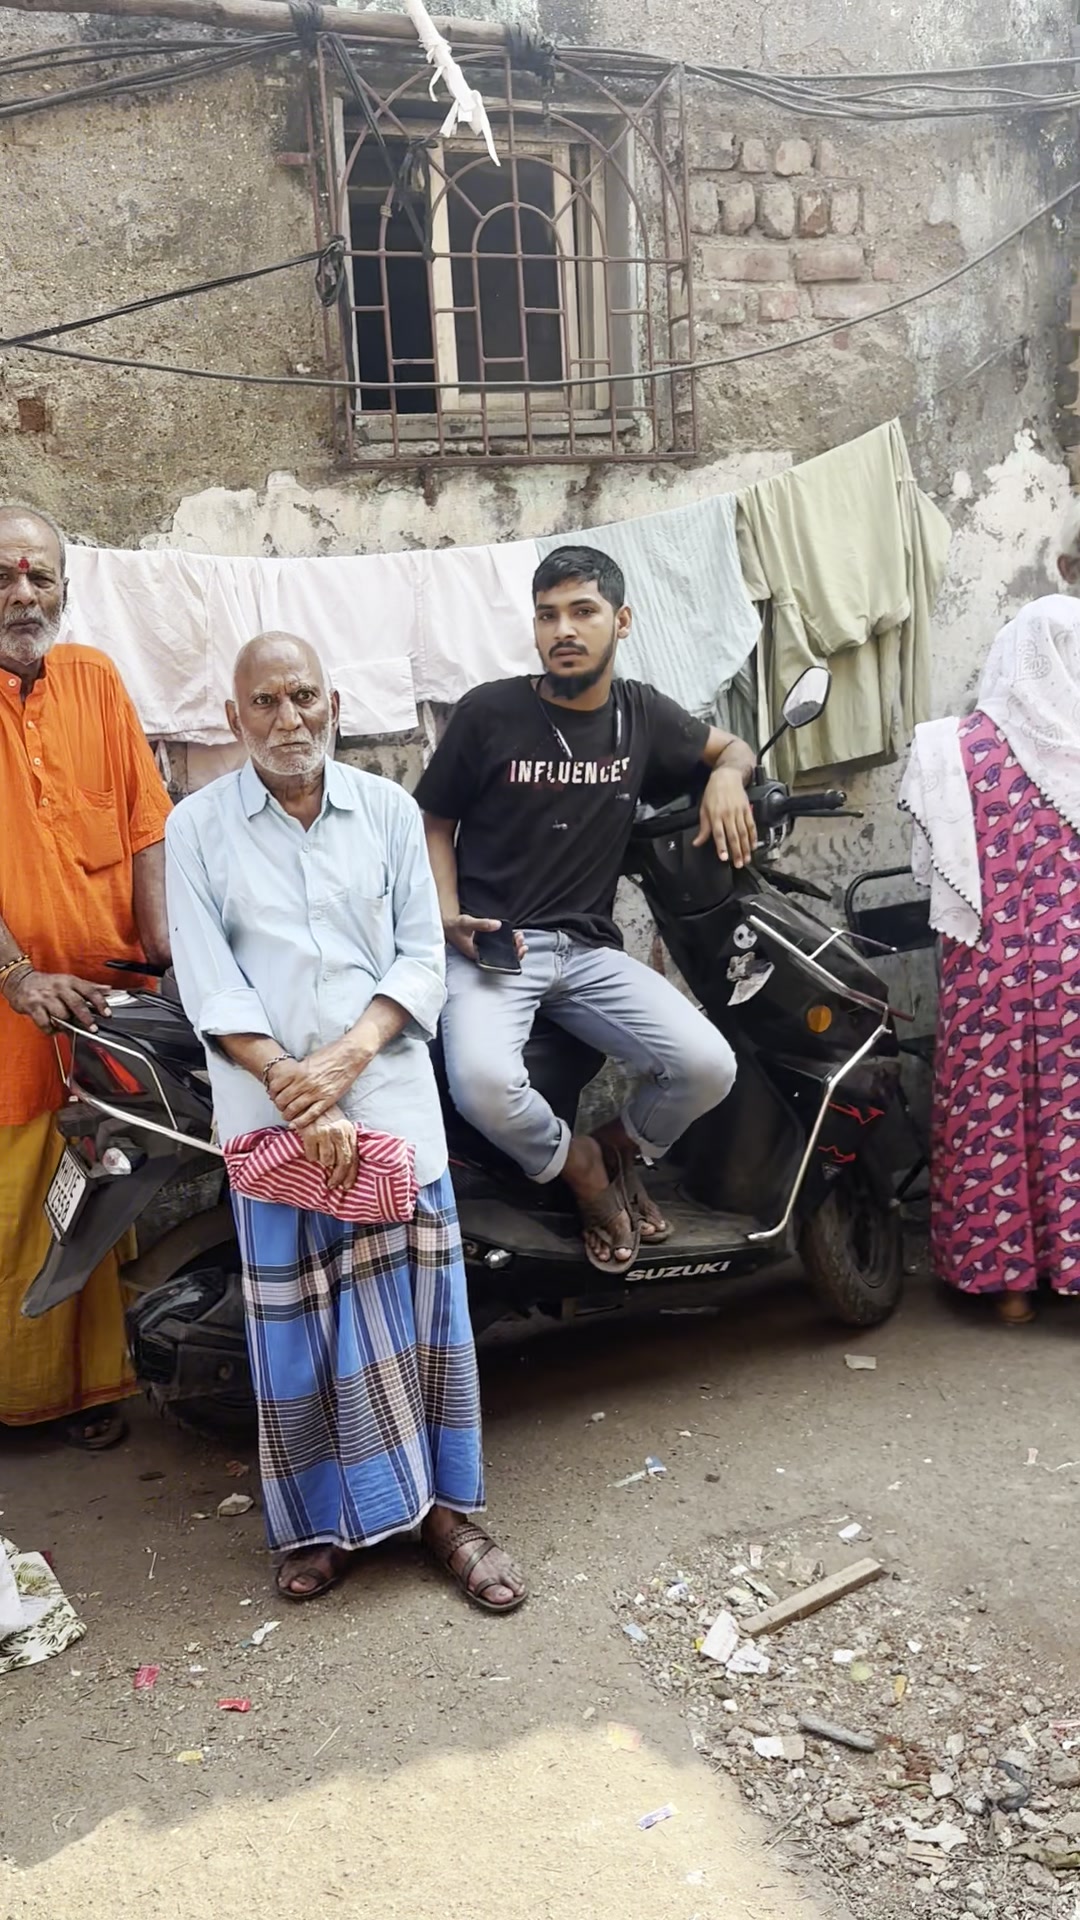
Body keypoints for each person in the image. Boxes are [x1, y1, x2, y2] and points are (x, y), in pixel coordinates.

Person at [165, 631, 526, 1609]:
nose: (289, 719)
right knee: (302, 1334)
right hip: (273, 1113)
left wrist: (350, 1057)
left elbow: (420, 957)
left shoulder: (389, 811)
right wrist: (295, 1080)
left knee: (422, 1323)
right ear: (234, 717)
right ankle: (323, 1524)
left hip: (388, 1098)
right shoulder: (197, 829)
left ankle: (445, 1515)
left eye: (305, 697)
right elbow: (209, 979)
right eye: (266, 702)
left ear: (335, 704)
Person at [415, 544, 755, 1272]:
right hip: (495, 947)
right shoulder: (490, 712)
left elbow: (732, 749)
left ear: (621, 621)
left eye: (582, 611)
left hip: (589, 952)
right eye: (548, 615)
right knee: (481, 1085)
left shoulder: (643, 715)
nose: (563, 630)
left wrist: (728, 776)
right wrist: (448, 917)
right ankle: (583, 1170)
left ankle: (618, 1147)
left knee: (708, 1066)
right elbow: (434, 820)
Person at [0, 504, 171, 1448]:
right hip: (11, 1028)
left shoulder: (96, 680)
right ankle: (17, 1399)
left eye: (39, 577)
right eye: (3, 577)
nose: (22, 594)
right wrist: (17, 977)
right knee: (13, 1218)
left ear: (64, 587)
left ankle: (91, 1390)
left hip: (106, 1017)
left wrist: (165, 962)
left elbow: (146, 825)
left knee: (101, 1191)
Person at [901, 595, 1080, 1324]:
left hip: (988, 976)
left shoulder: (947, 749)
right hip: (1073, 976)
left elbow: (930, 872)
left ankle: (1007, 1289)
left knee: (991, 1114)